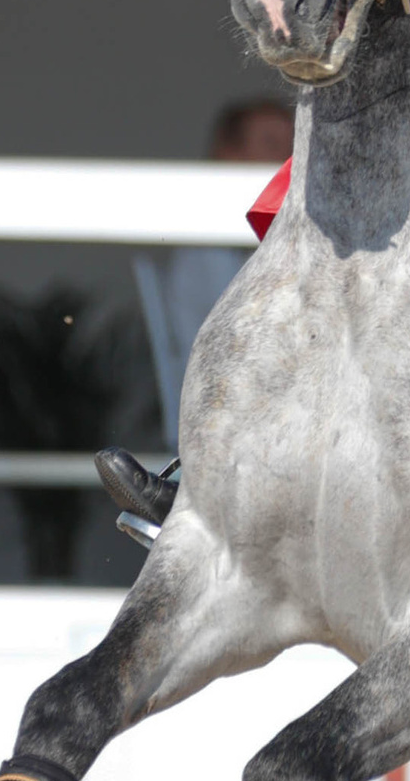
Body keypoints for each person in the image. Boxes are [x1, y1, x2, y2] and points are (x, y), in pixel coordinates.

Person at [98, 97, 294, 538]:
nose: (287, 156)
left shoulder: (226, 245)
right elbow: (255, 352)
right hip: (239, 426)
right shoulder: (210, 251)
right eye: (270, 142)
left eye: (293, 144)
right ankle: (188, 495)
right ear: (227, 154)